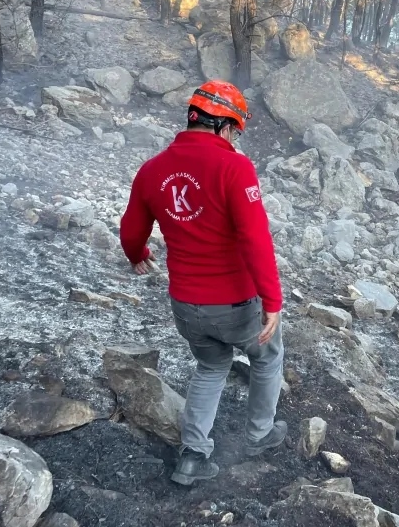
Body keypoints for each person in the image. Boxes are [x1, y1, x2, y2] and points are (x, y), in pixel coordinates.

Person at [120, 80, 285, 485]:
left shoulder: (153, 169)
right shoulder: (234, 167)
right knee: (267, 357)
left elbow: (130, 231)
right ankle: (259, 434)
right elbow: (255, 237)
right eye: (236, 131)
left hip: (185, 305)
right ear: (224, 125)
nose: (236, 140)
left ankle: (193, 455)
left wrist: (138, 256)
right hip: (234, 304)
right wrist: (272, 299)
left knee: (211, 366)